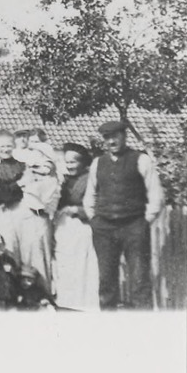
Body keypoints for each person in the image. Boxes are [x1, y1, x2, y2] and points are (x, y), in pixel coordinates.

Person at [83, 120, 164, 310]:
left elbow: (156, 195)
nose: (111, 141)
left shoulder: (141, 160)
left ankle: (142, 324)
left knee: (139, 279)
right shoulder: (98, 163)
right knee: (106, 280)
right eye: (107, 138)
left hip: (133, 227)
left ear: (124, 136)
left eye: (115, 137)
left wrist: (144, 222)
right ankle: (109, 323)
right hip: (104, 228)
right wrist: (94, 220)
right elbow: (90, 195)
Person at [54, 142, 99, 311]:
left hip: (82, 227)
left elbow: (97, 205)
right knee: (66, 264)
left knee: (82, 265)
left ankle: (83, 302)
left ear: (83, 162)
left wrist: (76, 210)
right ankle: (66, 300)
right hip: (64, 228)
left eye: (73, 162)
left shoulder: (90, 180)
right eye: (67, 162)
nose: (69, 166)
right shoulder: (65, 181)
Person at [11, 149, 61, 290]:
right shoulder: (28, 177)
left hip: (39, 219)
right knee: (25, 255)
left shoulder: (50, 181)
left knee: (40, 255)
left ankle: (43, 291)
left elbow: (41, 200)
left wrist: (29, 181)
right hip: (25, 218)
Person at [0, 129, 26, 240]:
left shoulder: (23, 166)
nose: (6, 149)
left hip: (24, 211)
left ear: (14, 146)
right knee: (7, 242)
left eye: (9, 146)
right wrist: (19, 184)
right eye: (2, 146)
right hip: (4, 212)